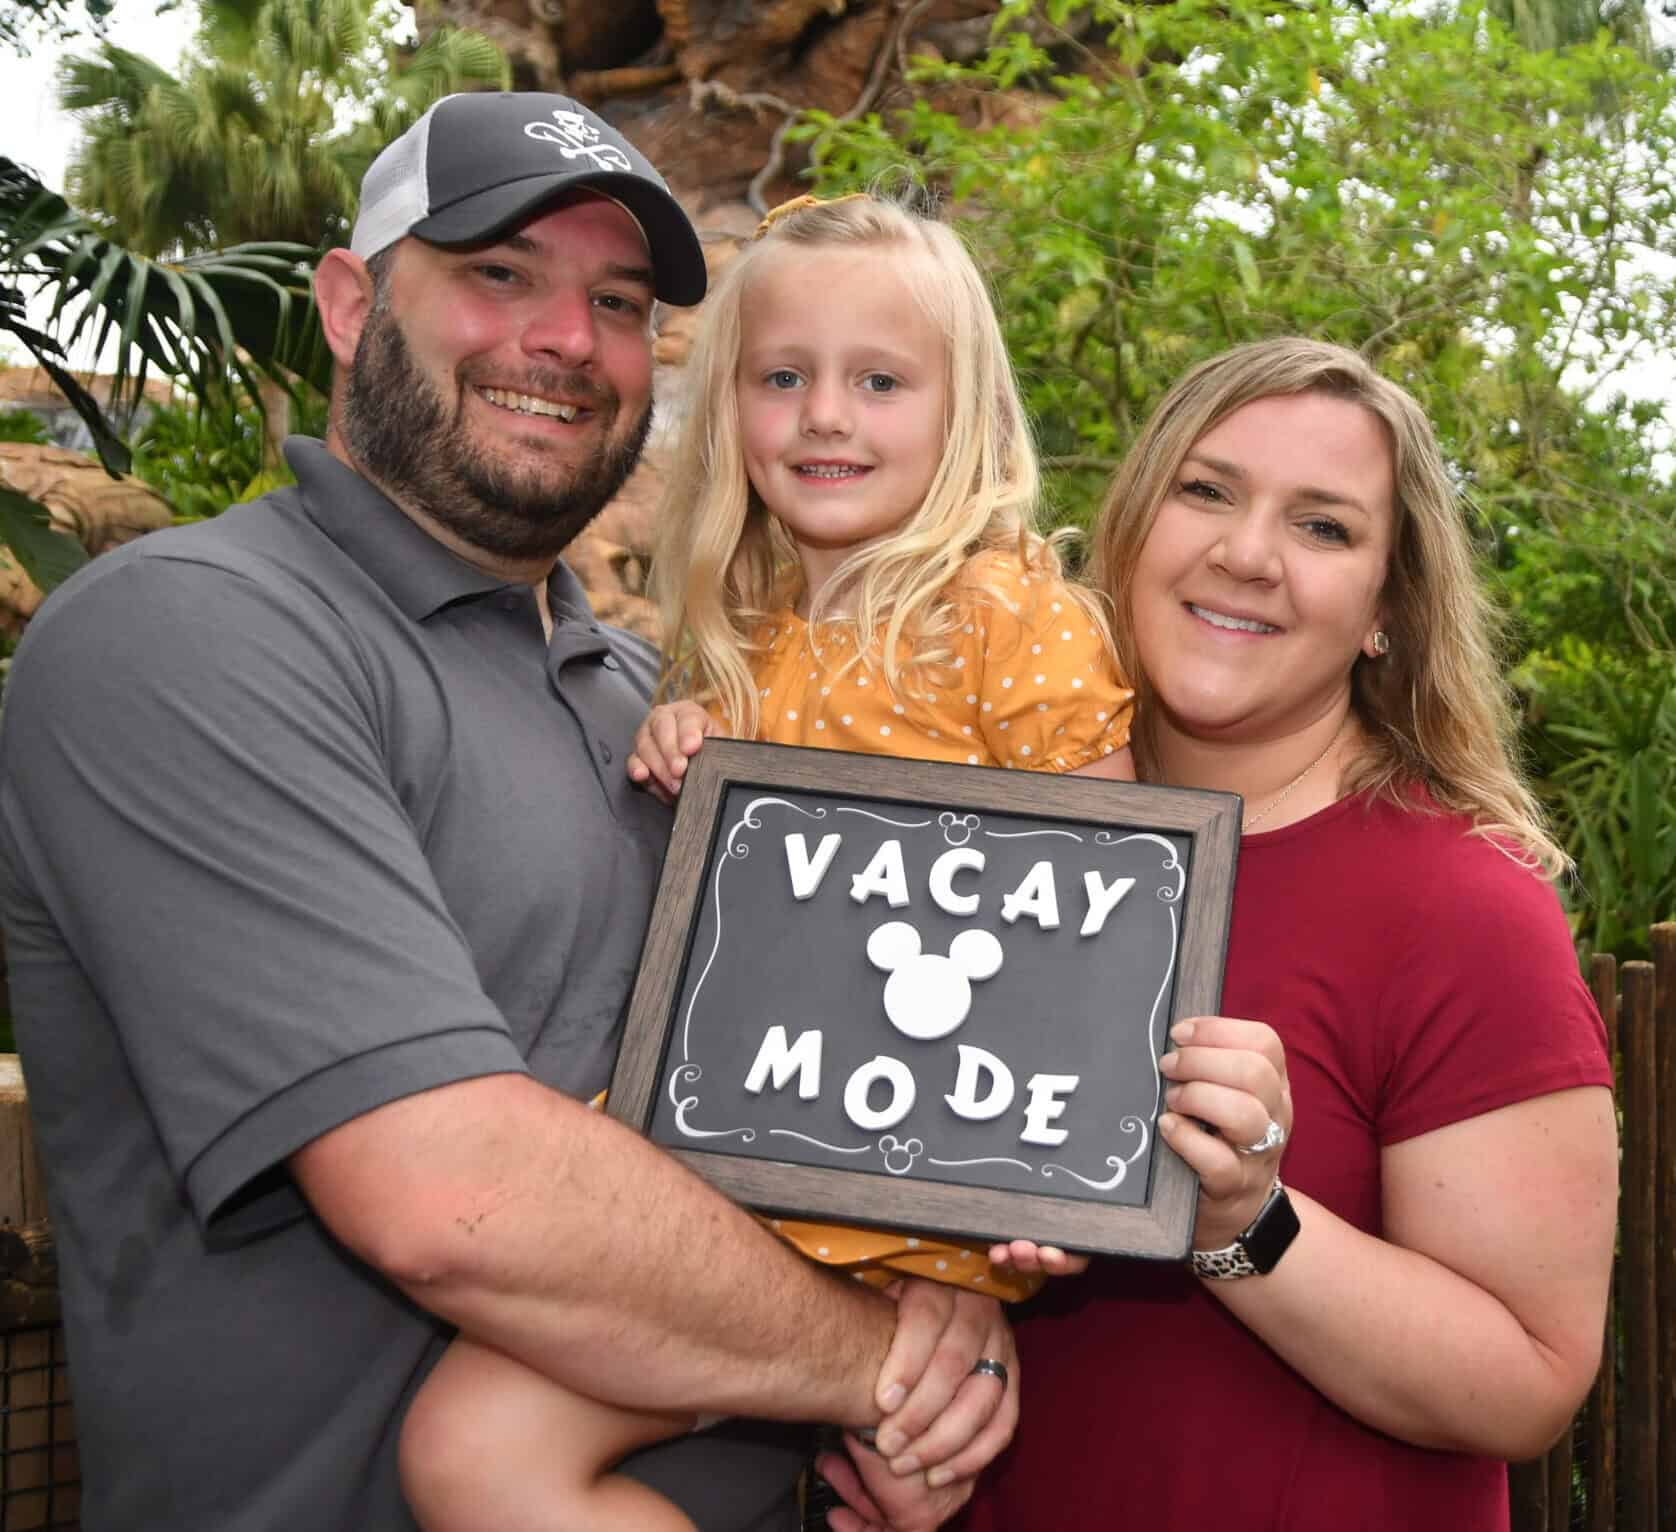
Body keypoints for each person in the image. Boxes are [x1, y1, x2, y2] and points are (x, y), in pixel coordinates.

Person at [0, 93, 1018, 1532]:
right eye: (498, 275)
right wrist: (888, 1365)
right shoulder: (194, 636)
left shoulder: (659, 700)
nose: (564, 341)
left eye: (614, 301)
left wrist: (936, 1307)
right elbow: (448, 1197)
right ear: (352, 305)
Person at [397, 189, 1137, 1532]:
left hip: (932, 1207)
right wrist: (687, 731)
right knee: (471, 1456)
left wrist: (1068, 1180)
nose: (826, 416)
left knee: (898, 1497)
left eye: (880, 380)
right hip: (728, 1196)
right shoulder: (744, 628)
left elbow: (1113, 913)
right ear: (729, 405)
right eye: (783, 377)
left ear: (962, 405)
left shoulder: (1005, 613)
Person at [960, 338, 1618, 1531]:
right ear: (1130, 524)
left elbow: (1527, 1379)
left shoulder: (1460, 905)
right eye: (1205, 490)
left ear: (1384, 609)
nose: (1246, 555)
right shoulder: (989, 840)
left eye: (1322, 527)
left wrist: (1239, 1220)